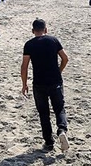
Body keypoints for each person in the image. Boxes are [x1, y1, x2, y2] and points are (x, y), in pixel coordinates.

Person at [21, 18, 70, 152]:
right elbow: (65, 58)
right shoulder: (53, 40)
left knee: (43, 113)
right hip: (55, 81)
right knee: (59, 109)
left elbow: (24, 67)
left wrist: (24, 84)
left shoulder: (29, 45)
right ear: (46, 30)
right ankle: (61, 130)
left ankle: (49, 142)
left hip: (39, 83)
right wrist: (59, 70)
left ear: (33, 31)